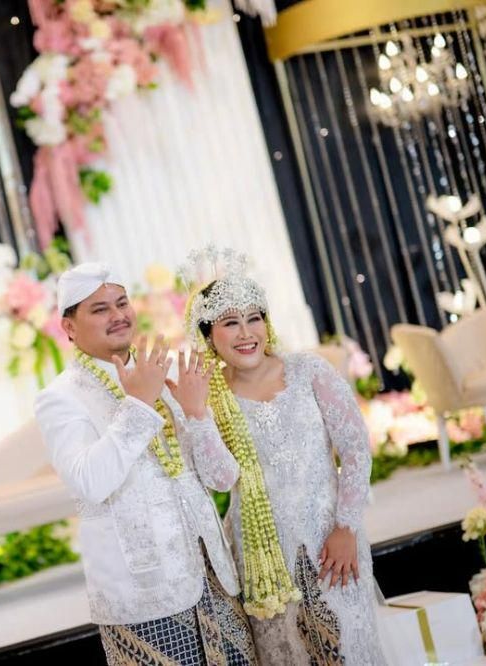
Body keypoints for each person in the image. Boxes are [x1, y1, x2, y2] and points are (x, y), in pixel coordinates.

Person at [34, 262, 258, 665]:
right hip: (144, 593)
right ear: (69, 327)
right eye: (100, 309)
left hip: (212, 576)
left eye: (122, 303)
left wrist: (198, 415)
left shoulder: (166, 369)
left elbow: (222, 479)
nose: (118, 315)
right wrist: (138, 404)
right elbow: (90, 483)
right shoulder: (61, 398)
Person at [180, 247, 385, 665]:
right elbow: (221, 480)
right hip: (262, 556)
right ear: (207, 334)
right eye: (230, 323)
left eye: (254, 318)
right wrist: (197, 415)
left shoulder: (310, 372)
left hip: (330, 537)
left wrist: (346, 527)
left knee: (349, 645)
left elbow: (355, 450)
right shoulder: (210, 395)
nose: (246, 333)